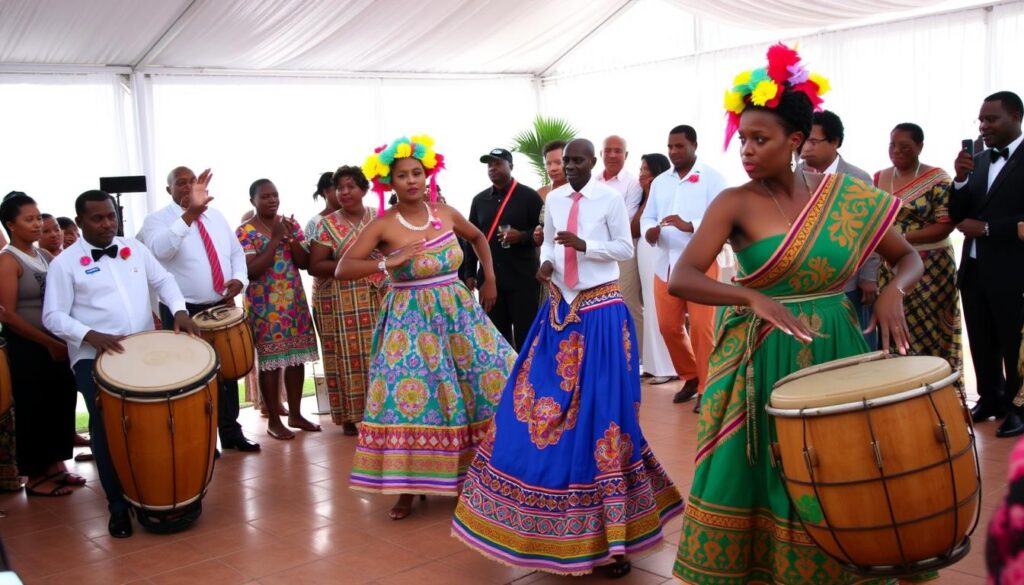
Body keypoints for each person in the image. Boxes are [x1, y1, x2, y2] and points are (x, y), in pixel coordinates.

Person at [669, 44, 923, 584]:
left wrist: (892, 291)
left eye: (760, 139)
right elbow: (684, 276)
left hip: (836, 346)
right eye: (742, 138)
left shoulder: (847, 196)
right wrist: (751, 297)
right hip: (763, 354)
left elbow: (910, 257)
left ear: (796, 141)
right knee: (769, 469)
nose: (747, 150)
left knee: (842, 466)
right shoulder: (733, 202)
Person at [453, 139, 683, 578]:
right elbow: (549, 246)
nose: (569, 167)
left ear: (592, 164)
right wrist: (545, 262)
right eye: (564, 162)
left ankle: (614, 541)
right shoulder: (554, 198)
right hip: (559, 309)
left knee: (603, 416)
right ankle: (547, 525)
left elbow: (625, 249)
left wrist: (585, 244)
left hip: (602, 312)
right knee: (538, 404)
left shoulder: (611, 199)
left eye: (577, 161)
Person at [338, 134, 515, 520]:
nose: (412, 181)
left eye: (417, 173)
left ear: (427, 174)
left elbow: (478, 237)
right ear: (390, 182)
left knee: (488, 382)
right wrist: (389, 262)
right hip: (409, 323)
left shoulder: (446, 212)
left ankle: (478, 471)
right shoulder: (384, 224)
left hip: (457, 314)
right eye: (402, 175)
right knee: (410, 401)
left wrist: (489, 280)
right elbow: (343, 268)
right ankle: (406, 488)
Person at [43, 189, 201, 538]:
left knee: (148, 426)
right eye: (97, 218)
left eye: (111, 216)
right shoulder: (63, 264)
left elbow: (164, 280)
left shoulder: (135, 248)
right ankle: (117, 506)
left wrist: (179, 310)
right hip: (94, 358)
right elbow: (52, 315)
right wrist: (88, 335)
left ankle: (155, 494)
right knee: (106, 430)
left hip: (142, 352)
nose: (106, 223)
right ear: (81, 220)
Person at [138, 166, 259, 453]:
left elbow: (235, 253)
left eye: (192, 181)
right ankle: (202, 440)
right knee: (189, 376)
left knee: (226, 373)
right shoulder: (156, 220)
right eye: (181, 183)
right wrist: (190, 214)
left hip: (220, 305)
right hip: (182, 310)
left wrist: (240, 280)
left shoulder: (216, 216)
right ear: (169, 190)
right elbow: (161, 250)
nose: (188, 186)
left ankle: (231, 432)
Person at [952, 91, 1024, 438]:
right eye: (980, 120)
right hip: (975, 269)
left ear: (1015, 116)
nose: (983, 126)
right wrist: (961, 180)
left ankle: (1019, 407)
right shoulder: (978, 161)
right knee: (981, 339)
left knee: (1014, 341)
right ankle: (991, 398)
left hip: (1014, 268)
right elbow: (957, 216)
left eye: (991, 119)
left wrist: (990, 229)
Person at [640, 125, 728, 405]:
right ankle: (689, 375)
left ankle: (707, 388)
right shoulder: (660, 181)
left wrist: (689, 225)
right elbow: (647, 217)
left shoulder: (713, 179)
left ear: (694, 146)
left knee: (702, 329)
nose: (673, 152)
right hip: (664, 264)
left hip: (699, 265)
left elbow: (723, 220)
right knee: (668, 326)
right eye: (670, 147)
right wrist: (650, 230)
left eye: (679, 146)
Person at [0, 193, 79, 496]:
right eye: (28, 219)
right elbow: (8, 316)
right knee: (35, 407)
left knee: (59, 400)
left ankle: (56, 466)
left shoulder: (43, 255)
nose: (37, 224)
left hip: (55, 344)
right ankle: (36, 478)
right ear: (10, 224)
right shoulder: (8, 261)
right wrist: (47, 342)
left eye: (38, 218)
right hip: (28, 347)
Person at [873, 123, 963, 384]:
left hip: (932, 269)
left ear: (920, 147)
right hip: (889, 267)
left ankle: (940, 389)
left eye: (905, 146)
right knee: (897, 330)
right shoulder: (878, 178)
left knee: (933, 332)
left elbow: (944, 227)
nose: (896, 151)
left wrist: (901, 238)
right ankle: (904, 392)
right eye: (892, 145)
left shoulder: (938, 179)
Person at [237, 179, 321, 440]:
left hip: (293, 300)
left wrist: (292, 238)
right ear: (253, 201)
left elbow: (304, 263)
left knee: (296, 357)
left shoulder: (290, 224)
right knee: (271, 362)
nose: (272, 200)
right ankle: (274, 419)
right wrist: (274, 240)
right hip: (265, 305)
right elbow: (251, 270)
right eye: (265, 197)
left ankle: (295, 414)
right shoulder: (244, 231)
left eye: (275, 195)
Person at [307, 166, 386, 436]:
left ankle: (380, 410)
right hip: (339, 300)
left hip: (376, 296)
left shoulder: (378, 218)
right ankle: (351, 415)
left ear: (364, 190)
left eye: (350, 186)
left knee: (379, 352)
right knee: (346, 355)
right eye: (339, 188)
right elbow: (315, 265)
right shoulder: (325, 224)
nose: (344, 192)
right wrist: (355, 264)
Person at [800, 110, 881, 347]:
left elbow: (871, 231)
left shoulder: (857, 178)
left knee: (853, 344)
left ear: (834, 142)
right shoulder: (790, 176)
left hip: (848, 281)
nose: (806, 147)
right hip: (804, 283)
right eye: (803, 139)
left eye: (813, 141)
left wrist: (868, 276)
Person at [463, 147, 544, 351]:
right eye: (489, 164)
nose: (492, 168)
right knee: (495, 337)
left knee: (527, 335)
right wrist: (469, 273)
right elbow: (471, 238)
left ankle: (528, 380)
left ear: (511, 166)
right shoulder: (479, 200)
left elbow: (543, 232)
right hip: (490, 281)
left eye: (498, 163)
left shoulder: (529, 197)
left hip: (523, 279)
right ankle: (502, 382)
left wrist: (522, 236)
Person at [598, 135, 645, 362]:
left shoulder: (633, 184)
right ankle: (611, 358)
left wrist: (595, 226)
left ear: (626, 155)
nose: (613, 155)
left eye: (618, 151)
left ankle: (636, 360)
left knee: (628, 303)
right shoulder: (593, 181)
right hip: (596, 253)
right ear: (601, 154)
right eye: (608, 150)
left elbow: (625, 220)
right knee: (601, 306)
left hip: (623, 252)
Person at [633, 153, 676, 385]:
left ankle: (666, 365)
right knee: (648, 304)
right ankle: (651, 363)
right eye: (640, 169)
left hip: (656, 249)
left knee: (658, 303)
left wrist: (651, 193)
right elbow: (637, 224)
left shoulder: (663, 193)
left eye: (645, 169)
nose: (641, 174)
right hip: (643, 248)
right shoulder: (645, 195)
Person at [304, 171, 339, 245]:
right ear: (326, 191)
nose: (345, 192)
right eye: (338, 188)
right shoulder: (315, 222)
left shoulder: (355, 218)